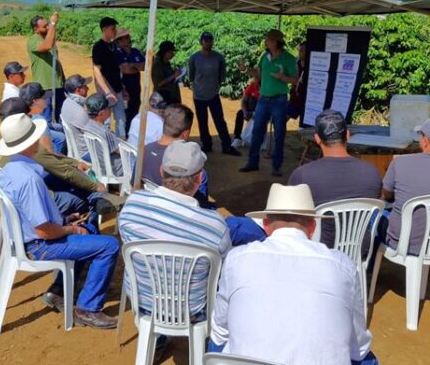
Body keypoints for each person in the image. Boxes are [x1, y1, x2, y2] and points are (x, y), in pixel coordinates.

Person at [210, 183, 377, 365]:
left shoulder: (237, 258)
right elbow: (359, 347)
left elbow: (220, 331)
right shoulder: (343, 265)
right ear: (312, 226)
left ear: (266, 225)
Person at [0, 113, 120, 329]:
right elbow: (44, 231)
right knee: (110, 246)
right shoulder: (29, 180)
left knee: (89, 229)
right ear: (31, 142)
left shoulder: (10, 169)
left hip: (28, 238)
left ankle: (59, 291)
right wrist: (71, 229)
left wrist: (65, 220)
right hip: (40, 245)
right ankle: (88, 308)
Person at [119, 140, 231, 317]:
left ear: (161, 171)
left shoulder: (132, 205)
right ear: (199, 178)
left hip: (143, 303)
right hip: (192, 311)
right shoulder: (214, 226)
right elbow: (225, 270)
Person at [0, 98, 121, 228]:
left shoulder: (9, 142)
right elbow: (64, 172)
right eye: (28, 116)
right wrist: (95, 186)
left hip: (24, 193)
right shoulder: (28, 148)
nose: (31, 117)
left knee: (75, 178)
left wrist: (74, 163)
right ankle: (91, 227)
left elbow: (49, 157)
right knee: (82, 196)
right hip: (39, 197)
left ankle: (98, 199)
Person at [288, 109, 382, 248]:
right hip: (360, 251)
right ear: (348, 135)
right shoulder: (372, 172)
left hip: (319, 251)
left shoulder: (302, 174)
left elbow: (289, 214)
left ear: (317, 138)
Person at [239, 29, 297, 176]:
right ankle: (252, 163)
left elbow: (296, 80)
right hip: (263, 99)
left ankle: (276, 166)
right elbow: (258, 73)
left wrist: (283, 78)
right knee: (257, 131)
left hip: (279, 100)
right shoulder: (265, 56)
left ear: (276, 42)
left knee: (279, 133)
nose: (266, 42)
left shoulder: (289, 59)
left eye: (269, 40)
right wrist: (245, 69)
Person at [139, 103, 212, 207]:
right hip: (182, 210)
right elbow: (201, 206)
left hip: (152, 204)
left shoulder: (145, 150)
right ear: (185, 133)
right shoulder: (191, 167)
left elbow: (135, 184)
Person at [380, 119, 430, 255]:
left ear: (425, 141)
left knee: (373, 214)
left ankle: (368, 266)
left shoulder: (400, 162)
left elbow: (386, 194)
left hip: (402, 244)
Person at [189, 32, 240, 156]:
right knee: (202, 121)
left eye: (210, 40)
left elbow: (222, 74)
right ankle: (206, 145)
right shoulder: (194, 58)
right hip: (199, 96)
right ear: (201, 42)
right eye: (206, 40)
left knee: (219, 121)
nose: (208, 43)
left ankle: (226, 145)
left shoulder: (219, 57)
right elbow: (191, 75)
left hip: (213, 94)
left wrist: (216, 86)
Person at [92, 17, 127, 138]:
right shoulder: (98, 47)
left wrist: (122, 87)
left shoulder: (114, 46)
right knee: (105, 121)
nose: (115, 31)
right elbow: (96, 70)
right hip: (105, 91)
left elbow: (117, 69)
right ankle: (105, 144)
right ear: (104, 29)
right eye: (112, 29)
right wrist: (107, 92)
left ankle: (120, 143)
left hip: (117, 89)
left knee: (121, 119)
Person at [27, 12, 65, 122]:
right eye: (44, 26)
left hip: (58, 85)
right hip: (45, 87)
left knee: (61, 118)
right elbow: (47, 46)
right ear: (36, 29)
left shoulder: (49, 38)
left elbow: (56, 61)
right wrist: (53, 24)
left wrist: (63, 80)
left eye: (47, 24)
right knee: (46, 119)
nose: (48, 27)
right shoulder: (33, 40)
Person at [20, 82, 66, 154]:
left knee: (60, 135)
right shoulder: (39, 121)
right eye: (44, 98)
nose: (46, 99)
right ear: (35, 101)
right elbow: (49, 153)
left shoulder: (23, 116)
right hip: (45, 158)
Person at [84, 93, 123, 177]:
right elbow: (120, 150)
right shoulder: (105, 132)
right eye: (108, 107)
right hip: (115, 169)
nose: (110, 109)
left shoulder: (88, 126)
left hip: (99, 167)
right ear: (101, 113)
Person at [115, 28, 145, 135]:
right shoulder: (117, 53)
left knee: (135, 108)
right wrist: (135, 66)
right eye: (126, 37)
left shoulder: (135, 51)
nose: (129, 39)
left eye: (128, 37)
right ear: (119, 41)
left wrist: (132, 65)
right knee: (125, 112)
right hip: (124, 87)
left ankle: (131, 133)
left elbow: (144, 66)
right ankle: (124, 135)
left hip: (136, 87)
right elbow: (125, 69)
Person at [60, 74, 92, 158]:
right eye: (85, 86)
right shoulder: (80, 112)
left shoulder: (66, 102)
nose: (88, 88)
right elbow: (98, 134)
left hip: (76, 150)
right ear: (78, 90)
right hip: (87, 153)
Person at [231, 72, 260, 148]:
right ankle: (237, 138)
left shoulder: (267, 88)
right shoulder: (252, 85)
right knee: (240, 113)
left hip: (262, 111)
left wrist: (254, 114)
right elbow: (244, 100)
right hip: (251, 108)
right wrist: (245, 112)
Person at [287, 42, 306, 121]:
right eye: (299, 50)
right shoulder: (296, 63)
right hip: (294, 99)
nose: (299, 53)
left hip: (306, 101)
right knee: (281, 119)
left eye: (301, 51)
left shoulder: (313, 66)